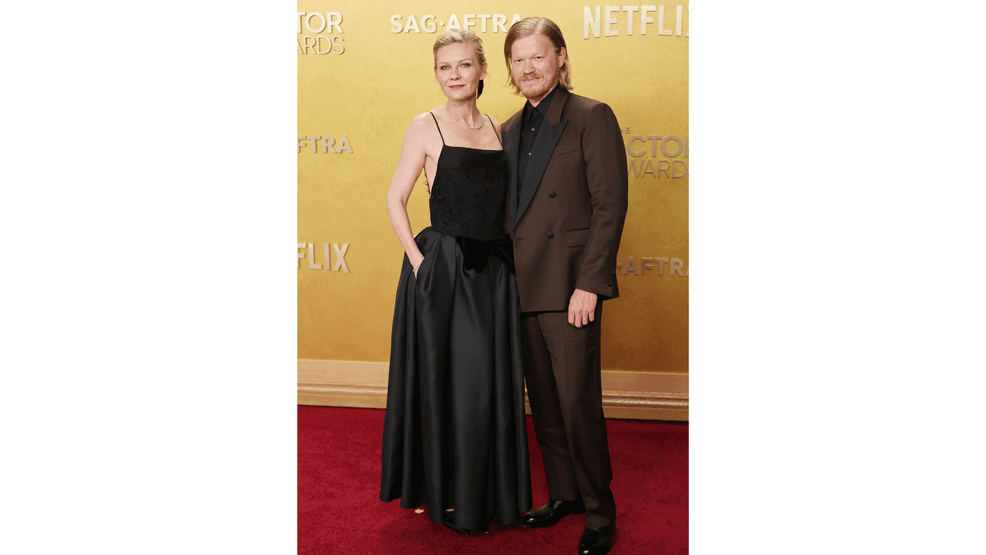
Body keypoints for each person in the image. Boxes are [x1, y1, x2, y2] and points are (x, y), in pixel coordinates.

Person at [379, 29, 532, 536]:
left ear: (483, 70)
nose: (454, 76)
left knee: (487, 383)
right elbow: (394, 199)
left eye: (464, 66)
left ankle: (485, 491)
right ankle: (444, 493)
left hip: (493, 272)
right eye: (445, 68)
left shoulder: (498, 127)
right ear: (437, 74)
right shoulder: (424, 126)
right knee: (449, 381)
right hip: (444, 270)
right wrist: (419, 261)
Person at [500, 17, 629, 555]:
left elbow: (609, 205)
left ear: (560, 58)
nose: (529, 67)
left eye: (538, 56)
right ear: (508, 68)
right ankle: (565, 495)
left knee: (578, 403)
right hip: (521, 287)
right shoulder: (505, 129)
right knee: (546, 404)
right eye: (518, 59)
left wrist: (590, 285)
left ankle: (600, 511)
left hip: (571, 288)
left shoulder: (590, 116)